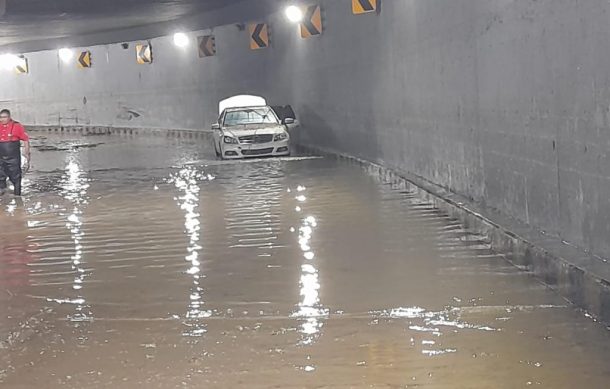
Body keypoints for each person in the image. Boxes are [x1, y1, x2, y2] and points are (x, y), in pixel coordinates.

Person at [0, 109, 30, 196]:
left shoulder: (17, 126)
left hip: (13, 158)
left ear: (9, 117)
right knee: (1, 176)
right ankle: (3, 199)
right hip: (0, 157)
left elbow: (25, 139)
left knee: (16, 178)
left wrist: (27, 153)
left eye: (4, 117)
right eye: (0, 117)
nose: (2, 119)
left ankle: (18, 198)